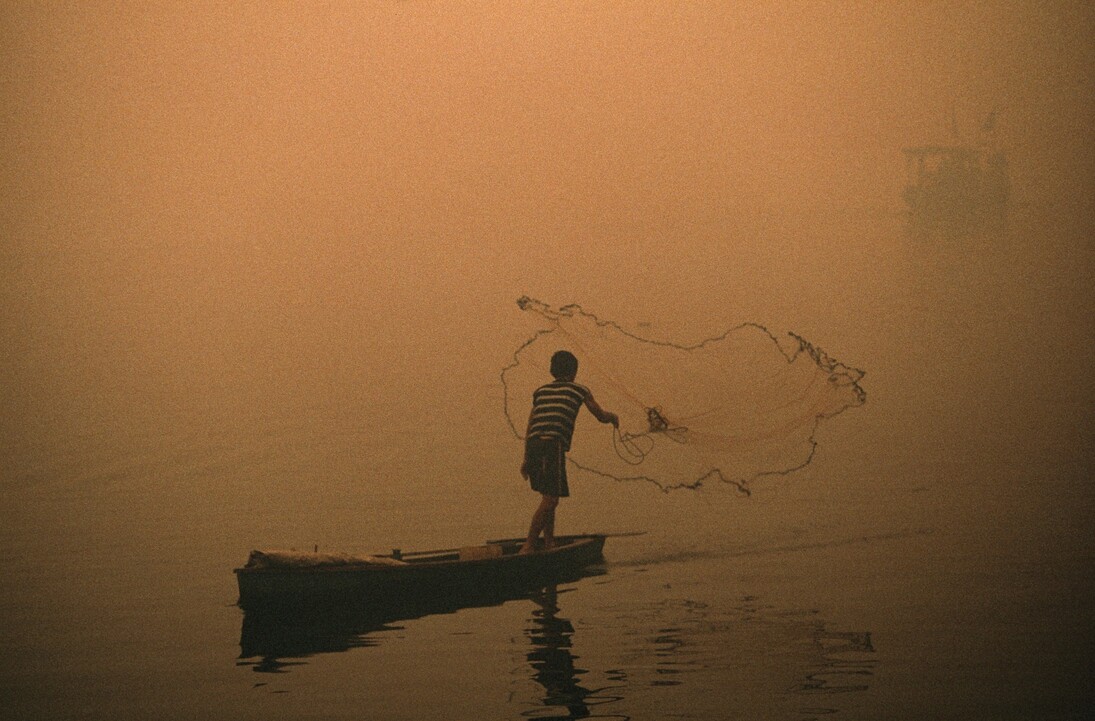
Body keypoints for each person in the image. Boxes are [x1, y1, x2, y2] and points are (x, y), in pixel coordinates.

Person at [520, 350, 618, 554]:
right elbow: (600, 415)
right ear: (574, 371)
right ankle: (528, 546)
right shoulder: (579, 390)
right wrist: (613, 418)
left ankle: (548, 544)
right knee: (551, 500)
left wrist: (526, 458)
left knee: (548, 497)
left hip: (534, 445)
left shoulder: (541, 391)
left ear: (552, 370)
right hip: (551, 445)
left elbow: (531, 425)